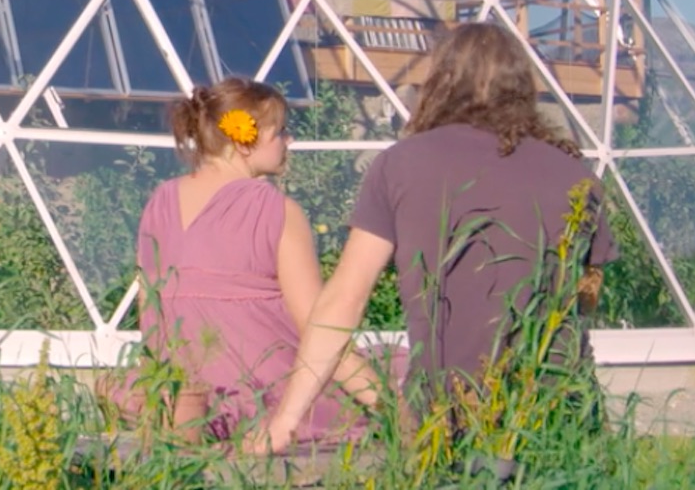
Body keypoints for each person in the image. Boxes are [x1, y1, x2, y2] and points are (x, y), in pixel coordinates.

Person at [251, 23, 616, 454]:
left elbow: (344, 299)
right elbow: (586, 297)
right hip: (560, 414)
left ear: (439, 83)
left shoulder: (401, 165)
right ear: (522, 86)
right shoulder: (575, 174)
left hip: (448, 414)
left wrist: (286, 420)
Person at [121, 77, 390, 447]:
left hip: (189, 403)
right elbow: (322, 330)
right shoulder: (275, 210)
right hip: (265, 396)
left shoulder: (160, 202)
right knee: (401, 365)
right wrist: (391, 408)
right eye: (279, 132)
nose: (289, 140)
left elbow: (150, 315)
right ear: (243, 140)